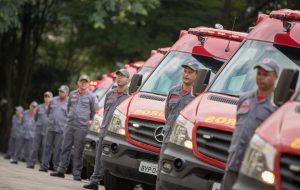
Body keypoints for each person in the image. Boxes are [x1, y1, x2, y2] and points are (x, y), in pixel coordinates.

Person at [221, 58, 279, 190]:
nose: (261, 77)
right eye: (259, 73)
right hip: (233, 161)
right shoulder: (244, 98)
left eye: (266, 74)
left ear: (275, 76)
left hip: (252, 168)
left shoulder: (275, 108)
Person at [84, 69, 131, 190]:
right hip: (104, 130)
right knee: (99, 156)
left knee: (110, 157)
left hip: (116, 133)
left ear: (128, 80)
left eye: (122, 76)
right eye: (118, 75)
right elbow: (105, 110)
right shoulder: (110, 94)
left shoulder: (129, 97)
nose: (119, 78)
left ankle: (110, 183)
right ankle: (94, 182)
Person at [156, 61, 200, 190]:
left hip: (185, 141)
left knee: (180, 173)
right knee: (161, 171)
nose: (186, 75)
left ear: (197, 75)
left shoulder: (197, 96)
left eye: (190, 72)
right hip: (168, 137)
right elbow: (167, 114)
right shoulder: (173, 91)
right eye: (185, 71)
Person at [50, 75, 96, 181]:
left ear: (88, 84)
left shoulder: (91, 96)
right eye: (81, 81)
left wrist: (88, 122)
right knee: (65, 147)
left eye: (85, 82)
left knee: (78, 150)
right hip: (70, 125)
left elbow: (93, 112)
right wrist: (70, 118)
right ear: (78, 83)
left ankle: (77, 174)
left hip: (82, 127)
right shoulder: (72, 94)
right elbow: (68, 107)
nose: (83, 83)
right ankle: (61, 170)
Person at [39, 86, 69, 172]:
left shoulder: (69, 102)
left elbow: (70, 116)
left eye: (62, 92)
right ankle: (44, 166)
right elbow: (48, 112)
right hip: (51, 128)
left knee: (58, 149)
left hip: (61, 129)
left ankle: (56, 167)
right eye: (60, 91)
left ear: (67, 93)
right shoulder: (53, 100)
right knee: (47, 147)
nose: (60, 93)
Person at [27, 91, 53, 168]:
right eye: (45, 96)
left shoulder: (53, 108)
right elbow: (35, 118)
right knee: (35, 147)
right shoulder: (39, 107)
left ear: (51, 98)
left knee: (45, 148)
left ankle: (44, 165)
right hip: (38, 130)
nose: (47, 98)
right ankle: (31, 163)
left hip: (47, 131)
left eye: (48, 96)